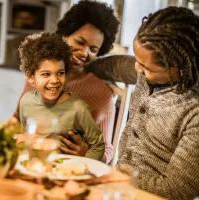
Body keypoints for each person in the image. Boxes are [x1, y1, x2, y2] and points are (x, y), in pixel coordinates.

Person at [85, 6, 199, 200]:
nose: (137, 68)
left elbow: (177, 189)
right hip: (118, 191)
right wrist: (77, 68)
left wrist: (113, 177)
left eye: (146, 67)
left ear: (179, 68)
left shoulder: (194, 111)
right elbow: (114, 67)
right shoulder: (146, 75)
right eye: (138, 61)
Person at [13, 0, 120, 163]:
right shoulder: (40, 73)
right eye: (79, 42)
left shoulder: (101, 93)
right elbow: (17, 119)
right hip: (30, 159)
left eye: (93, 49)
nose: (84, 53)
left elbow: (107, 150)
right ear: (64, 35)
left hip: (69, 167)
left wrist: (86, 153)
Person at [18, 32, 105, 160]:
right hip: (35, 166)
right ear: (31, 77)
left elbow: (98, 145)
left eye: (60, 73)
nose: (54, 80)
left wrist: (83, 163)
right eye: (46, 74)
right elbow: (24, 135)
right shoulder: (26, 101)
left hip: (64, 171)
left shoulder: (78, 108)